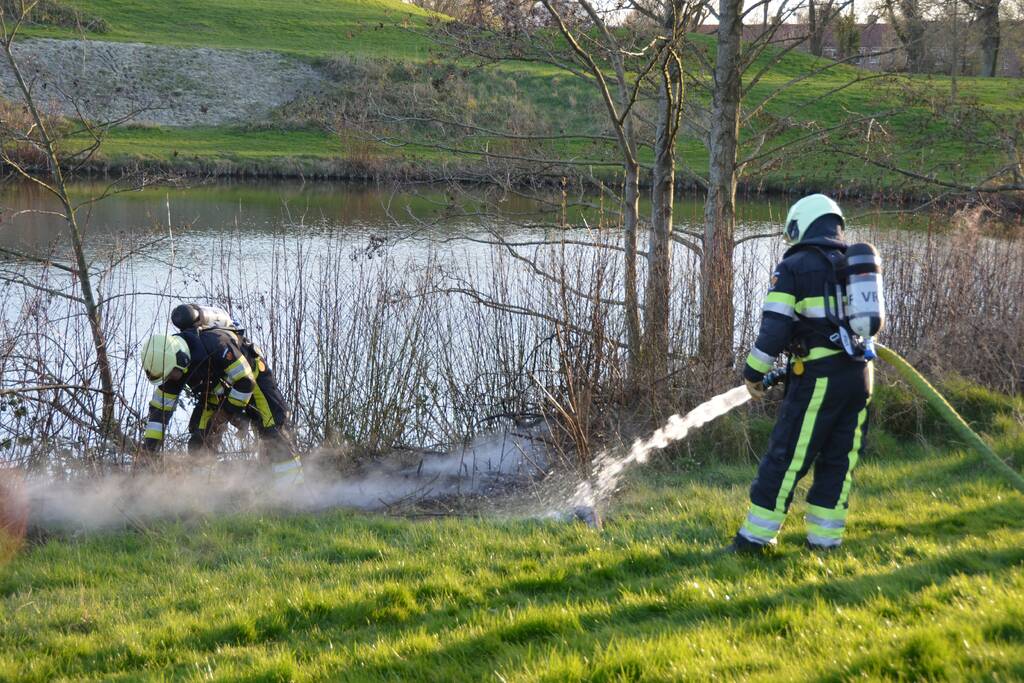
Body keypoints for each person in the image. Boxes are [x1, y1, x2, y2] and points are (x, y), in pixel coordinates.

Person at [730, 194, 873, 554]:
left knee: (787, 456)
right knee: (839, 460)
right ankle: (825, 544)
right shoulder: (850, 264)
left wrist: (753, 373)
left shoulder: (795, 265)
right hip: (860, 376)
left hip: (821, 379)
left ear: (801, 224)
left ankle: (755, 539)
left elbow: (775, 329)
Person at [139, 305, 303, 485]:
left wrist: (224, 414)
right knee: (201, 436)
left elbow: (245, 382)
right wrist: (149, 451)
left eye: (171, 375)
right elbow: (158, 414)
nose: (171, 379)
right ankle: (204, 493)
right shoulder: (169, 366)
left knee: (273, 429)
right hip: (215, 387)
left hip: (251, 376)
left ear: (182, 360)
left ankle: (292, 489)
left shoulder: (217, 344)